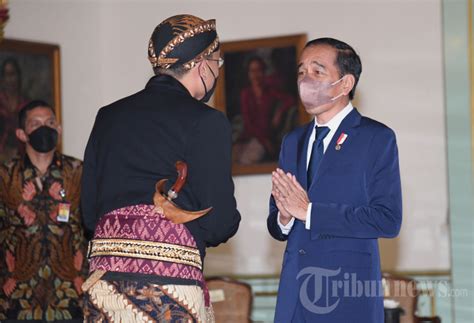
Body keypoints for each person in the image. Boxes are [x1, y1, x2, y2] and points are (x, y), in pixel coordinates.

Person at [81, 14, 241, 322]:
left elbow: (89, 214)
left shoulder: (108, 116)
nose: (217, 72)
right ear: (201, 63)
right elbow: (219, 222)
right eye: (217, 63)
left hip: (105, 286)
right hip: (170, 291)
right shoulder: (207, 121)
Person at [267, 38, 402, 322]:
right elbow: (278, 226)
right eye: (301, 72)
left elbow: (387, 219)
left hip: (347, 293)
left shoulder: (375, 138)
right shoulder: (292, 141)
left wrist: (309, 212)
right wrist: (284, 217)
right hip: (295, 294)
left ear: (344, 84)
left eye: (317, 72)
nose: (306, 80)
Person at [0, 100, 88, 322]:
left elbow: (90, 224)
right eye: (36, 124)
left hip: (70, 294)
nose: (44, 128)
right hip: (18, 297)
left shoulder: (77, 172)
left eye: (50, 122)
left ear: (58, 129)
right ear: (21, 134)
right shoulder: (5, 176)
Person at [237, 56, 296, 164]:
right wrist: (265, 142)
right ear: (248, 74)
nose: (255, 74)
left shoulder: (270, 91)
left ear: (264, 72)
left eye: (259, 70)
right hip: (251, 136)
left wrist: (279, 112)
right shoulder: (246, 94)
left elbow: (290, 100)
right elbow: (249, 124)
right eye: (252, 71)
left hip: (267, 136)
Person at [0, 58, 28, 162]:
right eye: (7, 75)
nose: (10, 79)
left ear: (18, 76)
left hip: (21, 159)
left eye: (13, 74)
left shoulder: (26, 104)